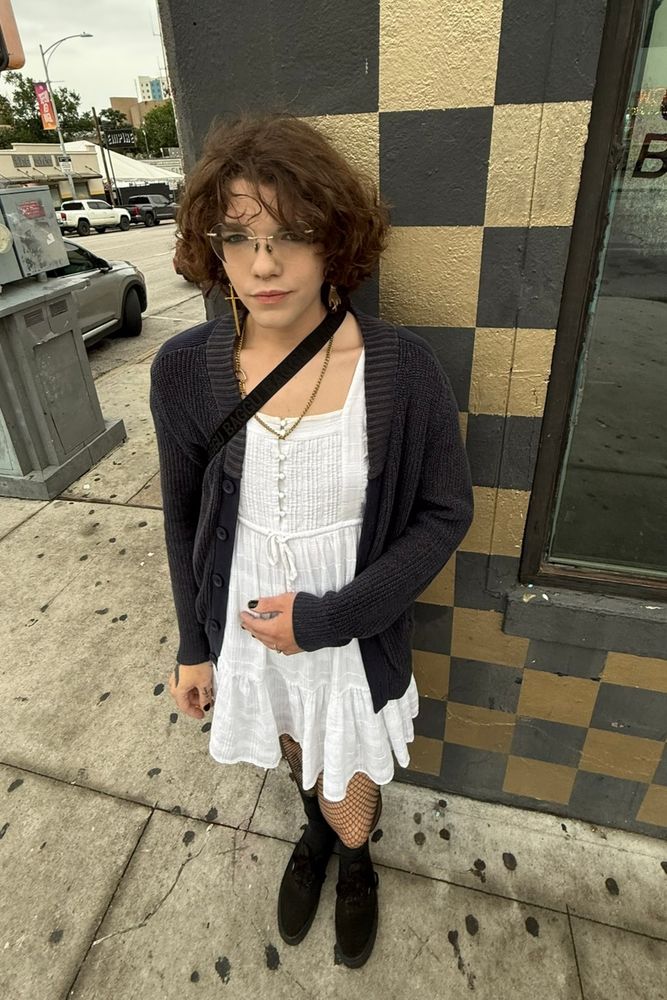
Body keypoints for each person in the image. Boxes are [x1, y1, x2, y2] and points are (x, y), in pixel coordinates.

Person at [150, 114, 473, 969]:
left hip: (352, 629)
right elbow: (183, 516)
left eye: (291, 236)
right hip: (249, 617)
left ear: (335, 241)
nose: (264, 264)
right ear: (209, 247)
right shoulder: (183, 369)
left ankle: (354, 857)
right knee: (294, 738)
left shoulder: (402, 372)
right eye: (239, 237)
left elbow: (445, 513)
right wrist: (194, 645)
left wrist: (332, 619)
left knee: (350, 758)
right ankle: (313, 836)